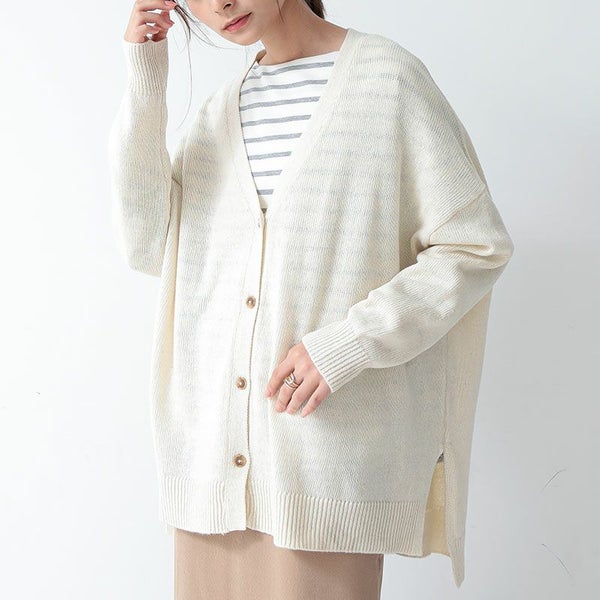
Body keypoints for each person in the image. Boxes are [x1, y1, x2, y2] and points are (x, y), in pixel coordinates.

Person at [107, 1, 515, 597]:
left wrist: (349, 344)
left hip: (324, 475)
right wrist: (146, 81)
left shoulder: (387, 81)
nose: (218, 4)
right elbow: (147, 243)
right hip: (210, 479)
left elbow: (474, 245)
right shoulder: (221, 113)